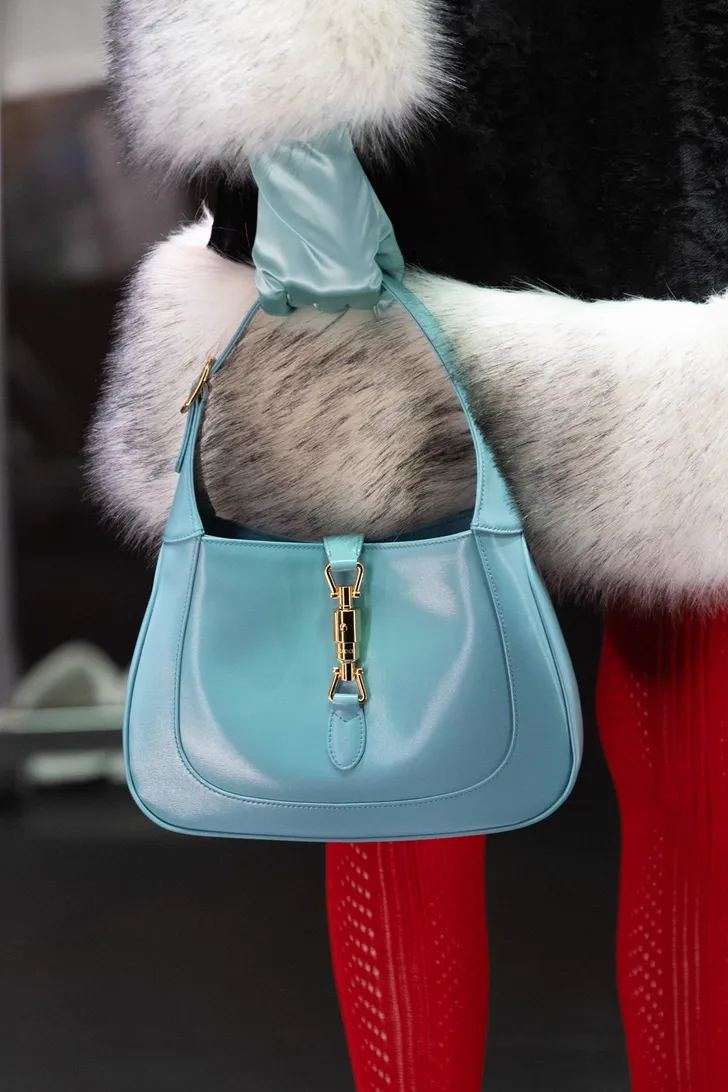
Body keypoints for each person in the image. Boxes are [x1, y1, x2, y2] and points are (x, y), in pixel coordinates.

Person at [91, 2, 728, 1088]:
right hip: (453, 140)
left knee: (677, 752)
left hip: (635, 116)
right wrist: (290, 152)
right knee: (397, 748)